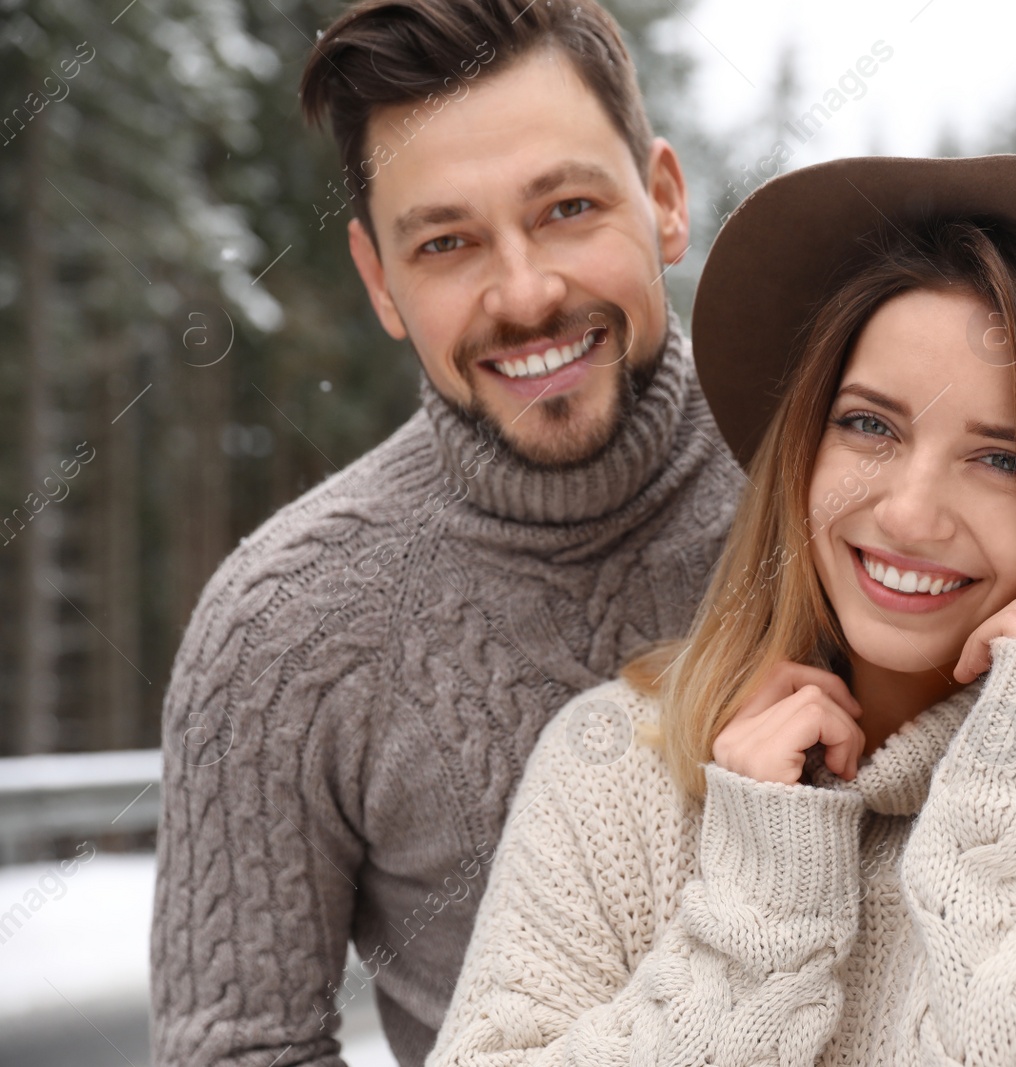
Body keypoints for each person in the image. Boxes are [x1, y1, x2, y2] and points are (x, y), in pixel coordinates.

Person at [427, 154, 1016, 1066]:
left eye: (1003, 459)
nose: (907, 512)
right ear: (805, 450)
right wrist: (755, 931)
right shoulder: (622, 767)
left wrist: (1013, 819)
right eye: (870, 425)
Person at [147, 1, 744, 1063]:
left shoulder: (847, 506)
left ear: (661, 200)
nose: (525, 293)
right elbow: (239, 1048)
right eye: (447, 242)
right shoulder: (280, 630)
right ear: (381, 280)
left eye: (566, 207)